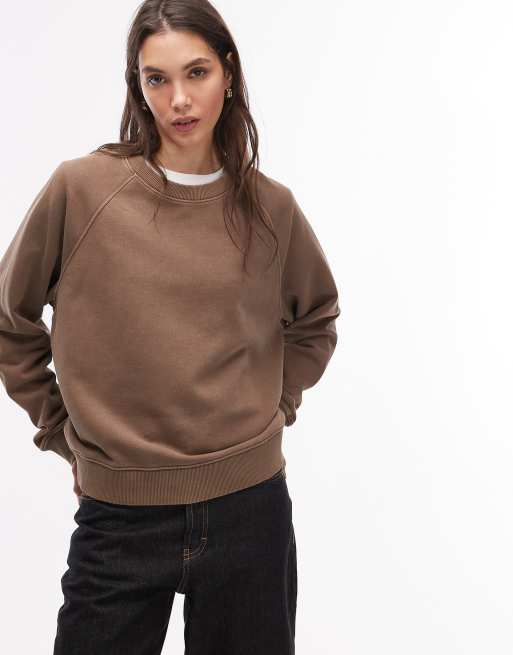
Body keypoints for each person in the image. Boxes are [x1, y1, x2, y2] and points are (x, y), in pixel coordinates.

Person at [0, 1, 340, 653]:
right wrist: (59, 430)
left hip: (250, 510)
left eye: (196, 72)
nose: (178, 99)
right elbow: (9, 318)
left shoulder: (269, 209)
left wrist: (275, 404)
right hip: (119, 519)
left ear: (229, 74)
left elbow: (316, 316)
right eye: (156, 79)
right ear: (138, 85)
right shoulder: (82, 190)